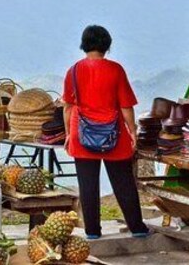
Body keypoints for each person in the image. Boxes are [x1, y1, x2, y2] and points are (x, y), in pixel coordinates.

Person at [63, 25, 149, 239]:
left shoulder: (73, 71)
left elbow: (67, 107)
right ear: (107, 45)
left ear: (84, 45)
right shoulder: (116, 70)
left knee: (87, 184)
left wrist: (67, 134)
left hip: (82, 133)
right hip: (114, 134)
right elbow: (126, 106)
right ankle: (137, 228)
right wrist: (132, 131)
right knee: (124, 182)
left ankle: (92, 231)